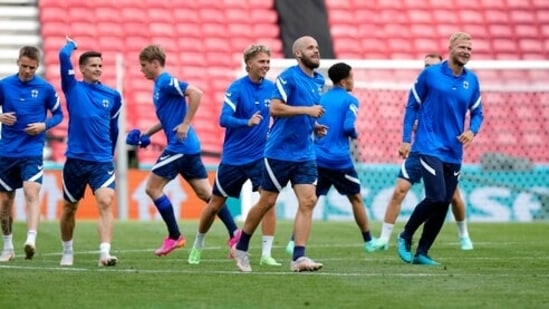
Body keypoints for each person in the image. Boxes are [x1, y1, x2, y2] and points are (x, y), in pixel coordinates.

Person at [133, 44, 240, 257]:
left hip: (179, 147)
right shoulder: (158, 85)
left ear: (155, 64)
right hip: (189, 148)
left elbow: (196, 93)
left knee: (152, 188)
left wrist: (186, 123)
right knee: (206, 194)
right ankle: (235, 233)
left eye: (144, 66)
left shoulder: (164, 81)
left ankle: (175, 236)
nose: (141, 70)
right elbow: (167, 118)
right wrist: (147, 133)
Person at [231, 35, 326, 272]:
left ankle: (299, 258)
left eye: (317, 47)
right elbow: (275, 108)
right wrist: (308, 111)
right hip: (279, 152)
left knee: (309, 200)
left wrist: (313, 125)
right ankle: (241, 247)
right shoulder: (288, 77)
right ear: (298, 53)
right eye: (310, 48)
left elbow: (303, 113)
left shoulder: (319, 80)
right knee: (267, 201)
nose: (316, 50)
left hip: (305, 152)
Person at [187, 44, 281, 266]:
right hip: (234, 159)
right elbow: (223, 119)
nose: (266, 66)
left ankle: (266, 254)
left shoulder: (272, 89)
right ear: (248, 63)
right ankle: (198, 245)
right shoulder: (237, 88)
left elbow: (281, 115)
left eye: (268, 62)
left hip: (260, 157)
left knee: (268, 201)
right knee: (215, 205)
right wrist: (246, 122)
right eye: (261, 61)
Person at [396, 32, 483, 265]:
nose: (466, 51)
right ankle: (405, 235)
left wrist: (472, 130)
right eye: (463, 47)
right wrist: (406, 139)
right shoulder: (430, 75)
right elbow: (412, 106)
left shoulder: (472, 80)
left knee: (444, 201)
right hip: (428, 145)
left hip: (454, 150)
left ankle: (422, 252)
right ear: (451, 47)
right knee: (435, 196)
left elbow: (477, 112)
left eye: (470, 48)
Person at [373, 53, 474, 251]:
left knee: (451, 197)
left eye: (432, 65)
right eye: (425, 65)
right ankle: (384, 238)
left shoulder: (445, 91)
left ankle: (464, 235)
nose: (428, 69)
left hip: (442, 153)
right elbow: (410, 112)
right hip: (419, 150)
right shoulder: (420, 87)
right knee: (399, 190)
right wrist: (406, 140)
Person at [285, 62, 379, 255]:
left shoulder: (320, 98)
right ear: (344, 81)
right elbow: (347, 126)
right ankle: (369, 241)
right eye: (352, 77)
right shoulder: (350, 100)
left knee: (308, 202)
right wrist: (354, 133)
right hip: (339, 161)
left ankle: (292, 242)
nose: (353, 81)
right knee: (356, 198)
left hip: (317, 158)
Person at [58, 36, 121, 267]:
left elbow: (113, 128)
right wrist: (71, 45)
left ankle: (105, 253)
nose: (98, 69)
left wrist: (110, 153)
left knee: (105, 201)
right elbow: (63, 57)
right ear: (82, 68)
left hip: (101, 160)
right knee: (69, 208)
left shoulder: (113, 96)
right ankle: (67, 250)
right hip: (75, 159)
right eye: (93, 65)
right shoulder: (72, 87)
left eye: (100, 66)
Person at [0, 46, 63, 262]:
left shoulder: (45, 88)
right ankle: (8, 248)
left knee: (31, 193)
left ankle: (31, 240)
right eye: (25, 66)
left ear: (38, 67)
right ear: (18, 62)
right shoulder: (4, 85)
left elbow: (59, 115)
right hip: (6, 152)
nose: (28, 71)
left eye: (32, 68)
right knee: (3, 206)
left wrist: (43, 126)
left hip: (31, 151)